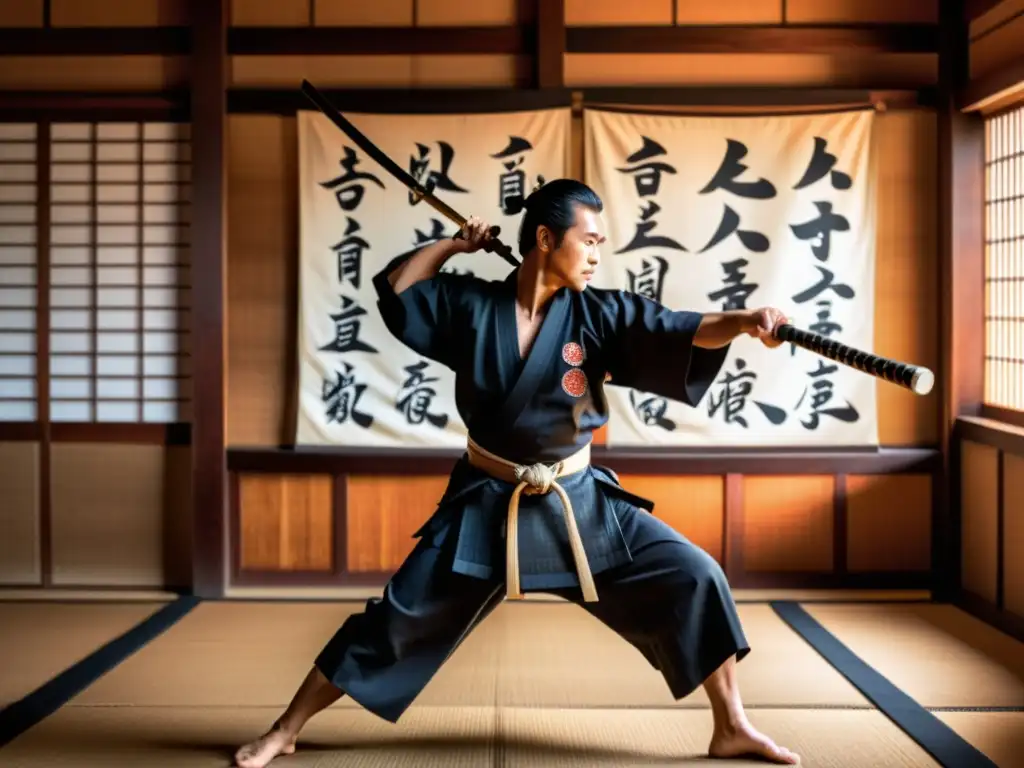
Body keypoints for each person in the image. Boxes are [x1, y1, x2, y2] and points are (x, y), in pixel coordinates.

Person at [235, 179, 799, 767]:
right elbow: (401, 291)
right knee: (396, 620)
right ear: (545, 238)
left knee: (694, 575)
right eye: (589, 240)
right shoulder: (472, 306)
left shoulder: (599, 314)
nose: (598, 253)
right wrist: (456, 244)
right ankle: (287, 728)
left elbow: (680, 327)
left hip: (576, 503)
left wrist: (741, 320)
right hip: (486, 504)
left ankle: (731, 726)